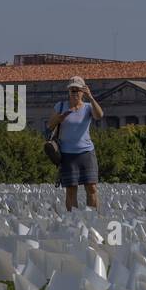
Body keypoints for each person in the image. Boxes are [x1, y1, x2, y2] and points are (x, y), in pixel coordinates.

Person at [48, 75, 102, 210]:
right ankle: (74, 221)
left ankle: (93, 219)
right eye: (72, 90)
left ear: (83, 91)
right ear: (68, 91)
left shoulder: (88, 107)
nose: (75, 93)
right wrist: (60, 118)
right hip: (67, 154)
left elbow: (99, 115)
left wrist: (91, 97)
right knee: (71, 190)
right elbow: (50, 125)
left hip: (86, 152)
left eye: (78, 90)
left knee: (92, 187)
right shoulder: (60, 106)